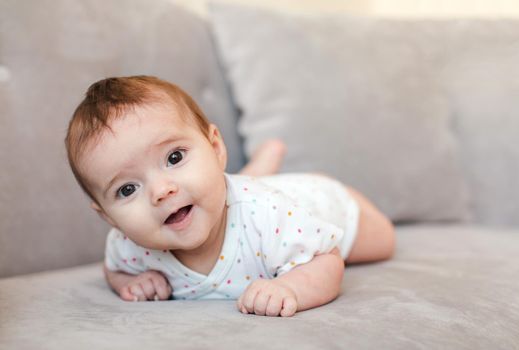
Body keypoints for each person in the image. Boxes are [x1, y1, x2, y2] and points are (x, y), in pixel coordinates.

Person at [65, 76, 395, 317]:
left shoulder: (268, 213)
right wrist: (127, 282)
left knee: (383, 243)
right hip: (240, 194)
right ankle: (257, 170)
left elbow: (328, 257)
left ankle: (306, 180)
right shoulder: (129, 243)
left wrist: (290, 288)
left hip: (316, 201)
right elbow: (113, 267)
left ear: (215, 148)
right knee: (224, 189)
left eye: (175, 158)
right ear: (108, 216)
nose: (161, 191)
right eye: (127, 189)